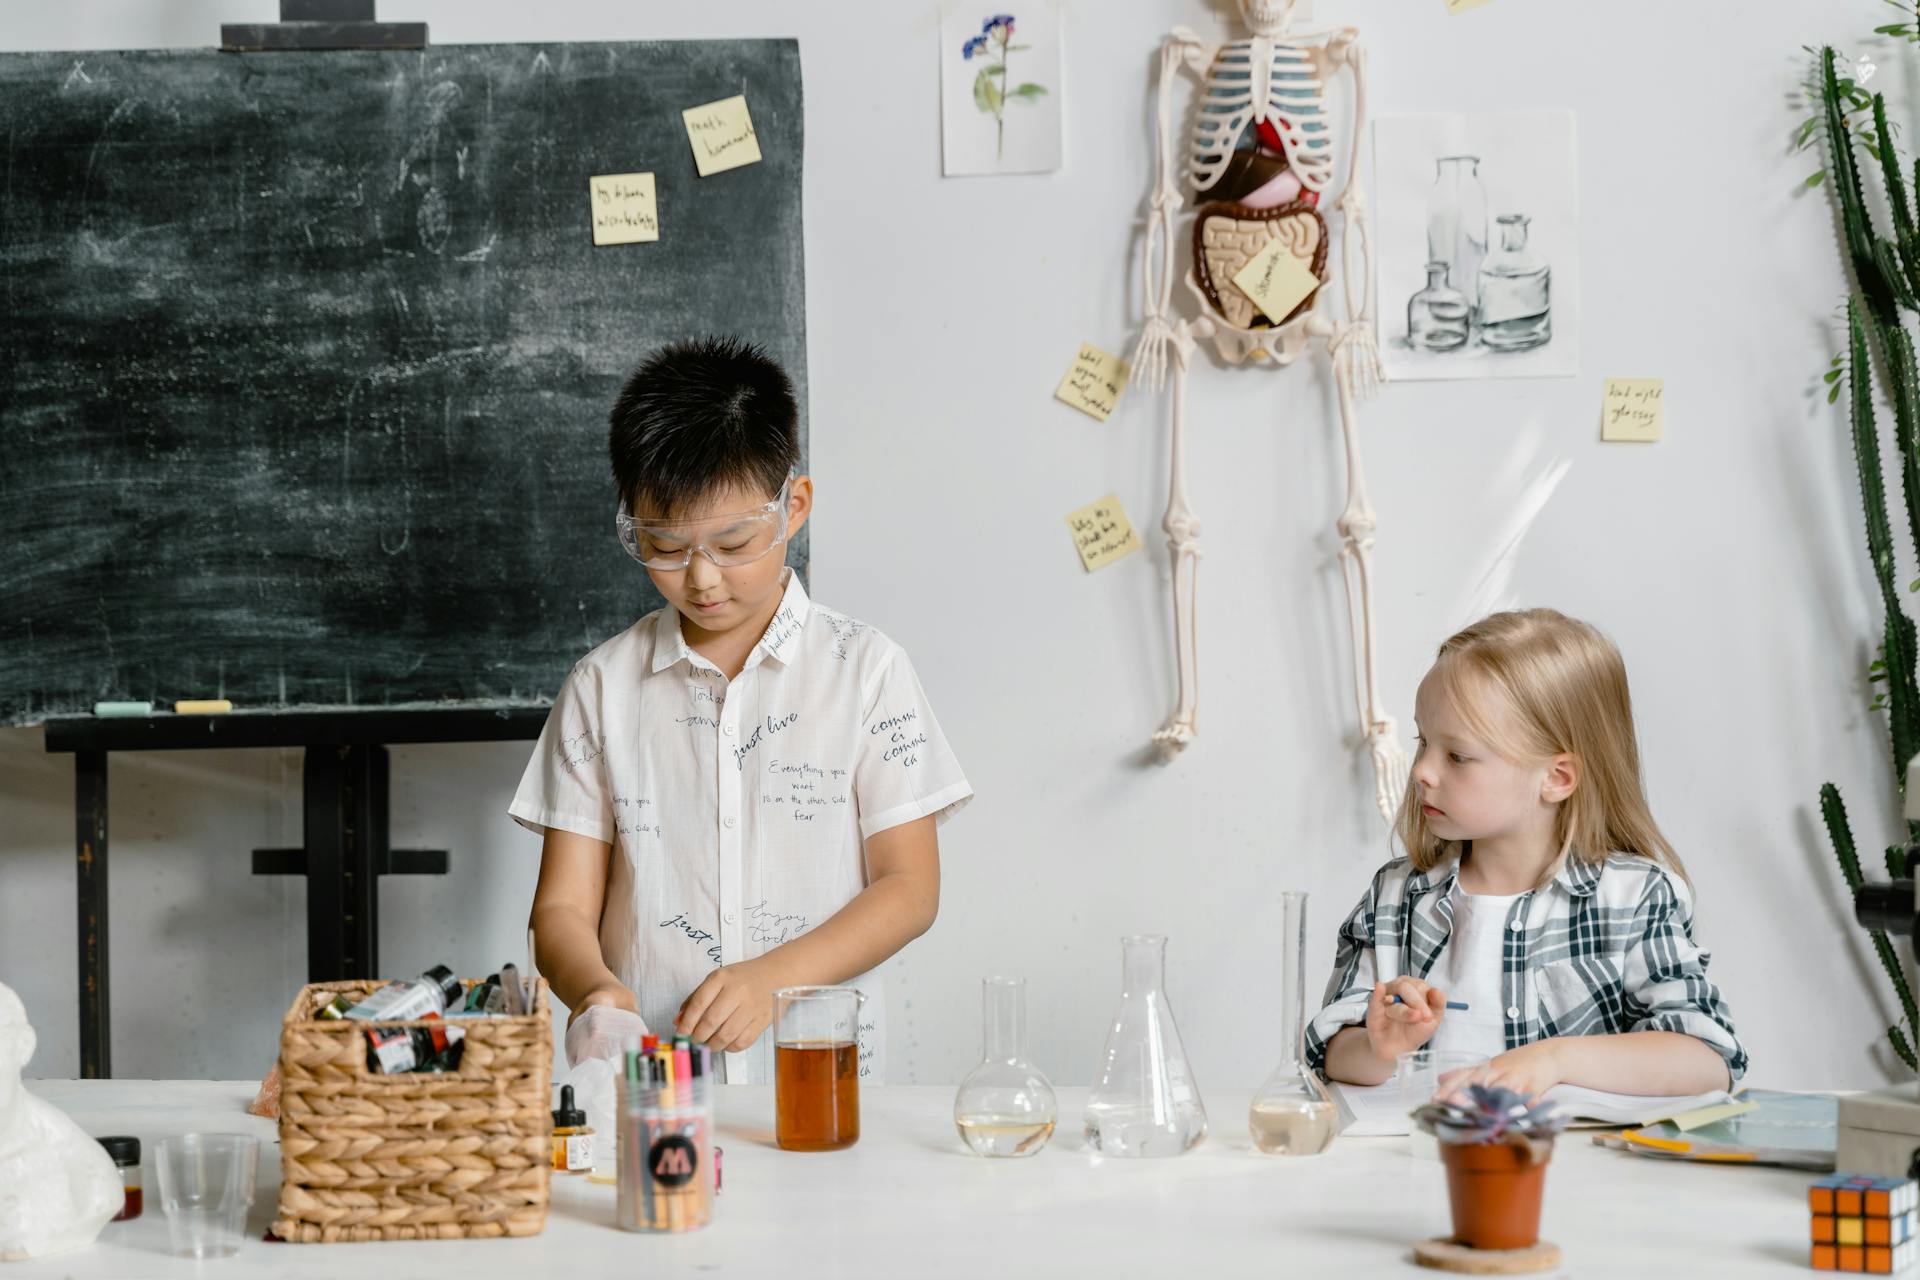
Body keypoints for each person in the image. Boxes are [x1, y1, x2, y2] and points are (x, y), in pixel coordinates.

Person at [511, 336, 972, 1082]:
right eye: (663, 546)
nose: (701, 579)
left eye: (733, 543)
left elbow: (910, 889)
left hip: (819, 1073)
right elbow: (561, 910)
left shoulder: (866, 671)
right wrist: (598, 993)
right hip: (651, 1084)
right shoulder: (602, 687)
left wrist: (772, 979)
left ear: (793, 506)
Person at [1309, 609, 1746, 1097]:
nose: (1422, 771)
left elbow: (1708, 1059)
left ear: (1556, 778)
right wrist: (1379, 1046)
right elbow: (1332, 1051)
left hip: (1578, 1170)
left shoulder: (1635, 897)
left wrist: (1553, 1060)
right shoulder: (1396, 895)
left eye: (1457, 755)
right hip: (1425, 1164)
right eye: (1423, 741)